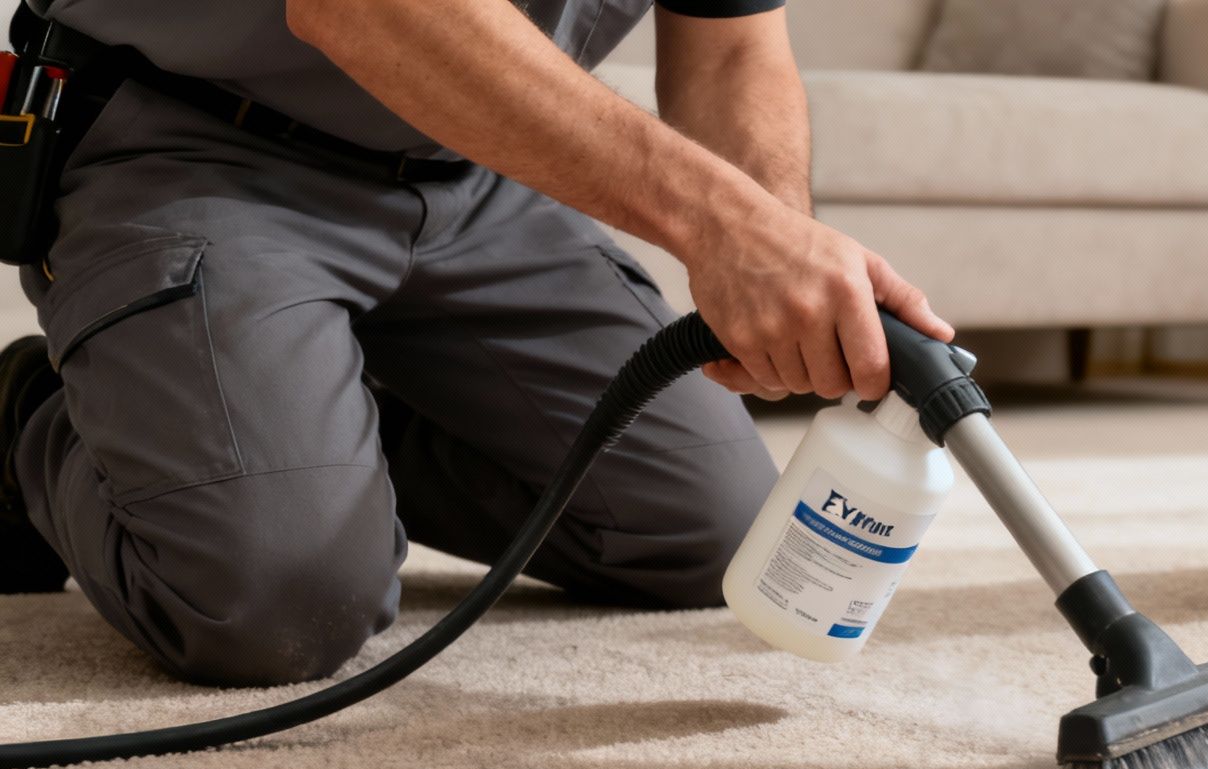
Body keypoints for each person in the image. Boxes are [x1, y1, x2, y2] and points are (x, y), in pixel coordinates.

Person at [0, 0, 952, 685]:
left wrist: (776, 243)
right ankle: (26, 413)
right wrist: (721, 226)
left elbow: (733, 48)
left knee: (716, 530)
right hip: (196, 139)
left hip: (475, 174)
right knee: (276, 604)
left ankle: (291, 423)